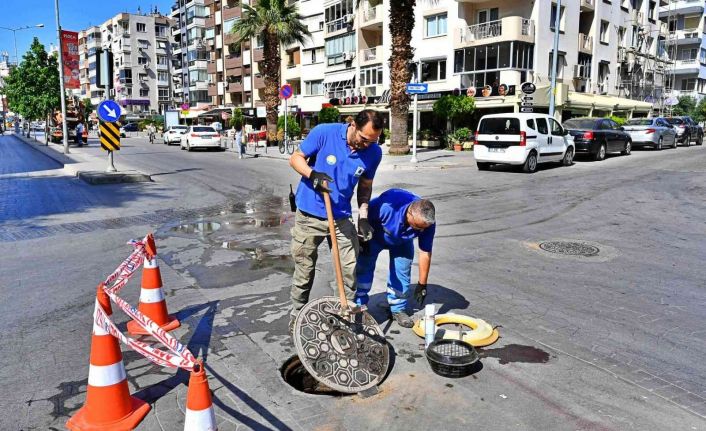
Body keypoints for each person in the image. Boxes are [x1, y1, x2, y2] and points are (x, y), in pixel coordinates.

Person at [288, 109, 384, 334]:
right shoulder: (324, 132)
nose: (366, 145)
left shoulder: (373, 153)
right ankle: (296, 313)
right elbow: (295, 158)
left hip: (340, 216)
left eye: (373, 141)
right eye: (363, 139)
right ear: (353, 125)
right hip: (309, 214)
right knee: (305, 268)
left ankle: (346, 313)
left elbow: (365, 187)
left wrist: (363, 216)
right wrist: (312, 175)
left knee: (349, 268)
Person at [355, 189, 436, 328]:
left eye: (423, 229)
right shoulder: (386, 207)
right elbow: (364, 215)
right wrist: (362, 239)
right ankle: (358, 306)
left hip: (402, 241)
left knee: (402, 270)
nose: (420, 231)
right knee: (364, 268)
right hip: (376, 235)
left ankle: (398, 308)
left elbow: (425, 252)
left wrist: (422, 284)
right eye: (417, 227)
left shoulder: (427, 223)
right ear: (409, 213)